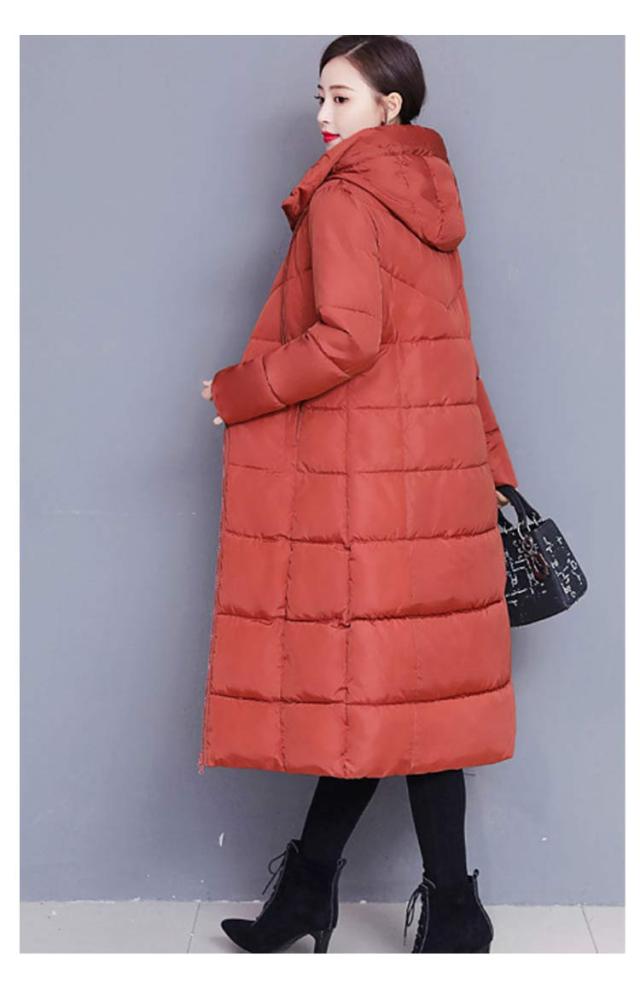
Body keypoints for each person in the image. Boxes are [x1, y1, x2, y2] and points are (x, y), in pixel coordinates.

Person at [199, 35, 518, 954]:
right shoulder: (431, 197)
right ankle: (427, 906)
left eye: (341, 98)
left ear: (390, 107)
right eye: (320, 97)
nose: (323, 116)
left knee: (377, 692)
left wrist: (236, 392)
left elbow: (348, 340)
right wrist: (493, 468)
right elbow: (452, 350)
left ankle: (331, 896)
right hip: (437, 485)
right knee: (408, 698)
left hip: (370, 492)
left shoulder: (345, 196)